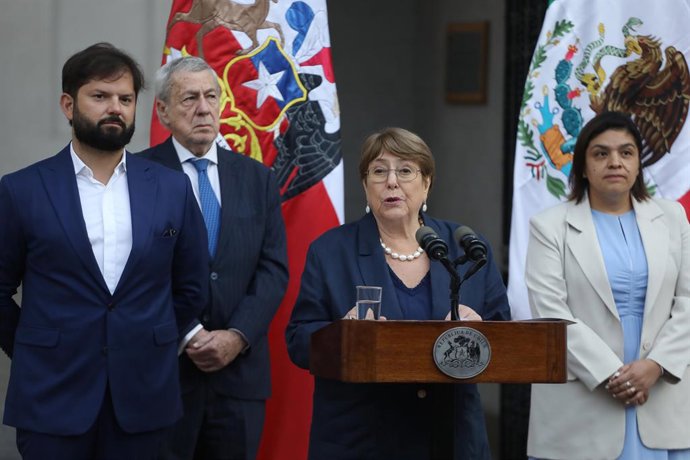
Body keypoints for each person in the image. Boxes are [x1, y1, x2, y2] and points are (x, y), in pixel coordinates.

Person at [0, 43, 209, 460]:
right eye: (100, 96)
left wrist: (148, 339)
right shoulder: (21, 190)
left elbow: (192, 286)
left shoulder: (171, 188)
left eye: (126, 99)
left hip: (145, 399)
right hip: (51, 398)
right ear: (68, 104)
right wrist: (37, 347)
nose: (115, 107)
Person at [285, 127, 511, 459]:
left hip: (450, 438)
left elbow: (507, 340)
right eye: (379, 171)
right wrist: (341, 335)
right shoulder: (331, 251)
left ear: (427, 182)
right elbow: (298, 342)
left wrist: (480, 331)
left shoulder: (466, 248)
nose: (392, 181)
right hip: (362, 439)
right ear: (365, 185)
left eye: (405, 170)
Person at [138, 56, 289, 460]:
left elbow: (273, 269)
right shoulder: (136, 177)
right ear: (163, 111)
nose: (203, 108)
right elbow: (133, 269)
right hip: (164, 373)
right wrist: (189, 333)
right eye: (189, 98)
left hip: (239, 377)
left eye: (211, 96)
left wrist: (237, 336)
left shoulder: (258, 178)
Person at [525, 111, 690, 459]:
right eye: (601, 153)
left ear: (638, 164)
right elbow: (551, 313)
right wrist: (614, 375)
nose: (615, 162)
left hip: (660, 397)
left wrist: (656, 365)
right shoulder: (549, 226)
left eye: (626, 152)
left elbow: (688, 302)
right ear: (583, 166)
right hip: (583, 401)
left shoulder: (673, 217)